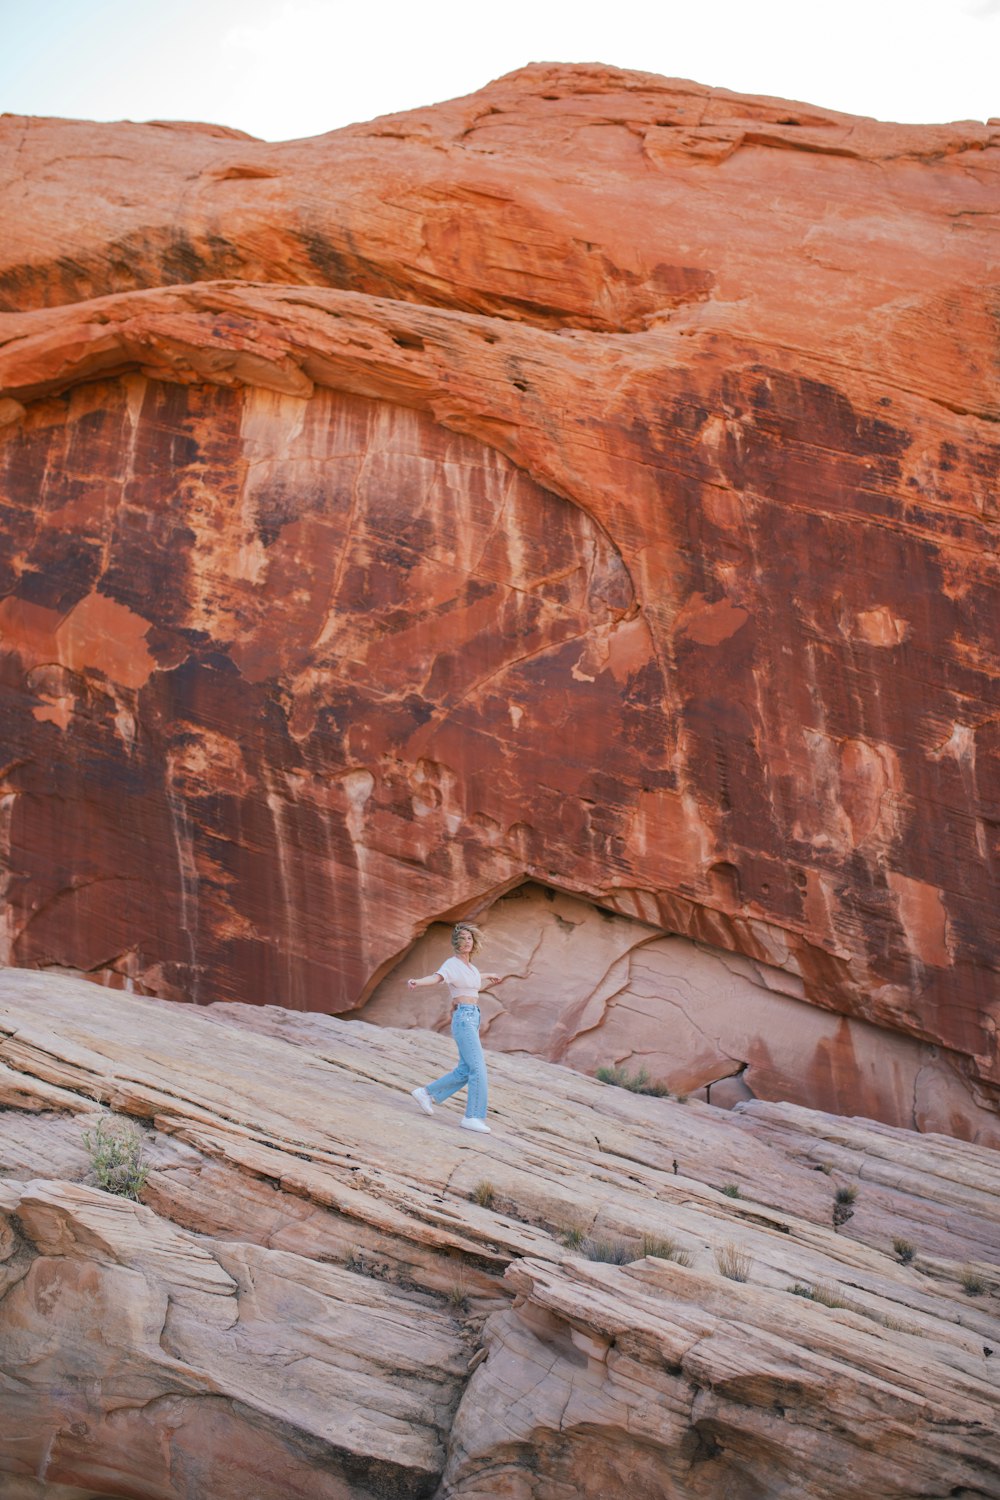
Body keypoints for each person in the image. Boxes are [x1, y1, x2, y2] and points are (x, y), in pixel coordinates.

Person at [408, 922, 502, 1133]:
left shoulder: (471, 968)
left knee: (465, 1069)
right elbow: (437, 977)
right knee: (478, 1069)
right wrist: (417, 982)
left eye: (469, 938)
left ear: (474, 942)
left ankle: (426, 1093)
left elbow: (473, 979)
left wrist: (488, 975)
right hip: (464, 1018)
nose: (466, 942)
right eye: (462, 939)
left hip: (474, 1017)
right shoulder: (451, 964)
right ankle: (473, 1117)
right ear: (456, 943)